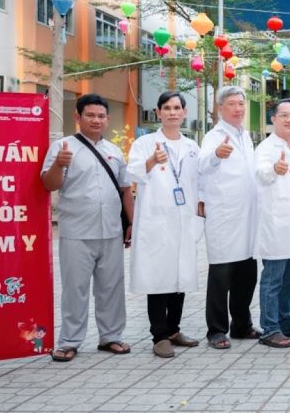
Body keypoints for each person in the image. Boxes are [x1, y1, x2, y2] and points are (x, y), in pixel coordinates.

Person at [41, 94, 134, 362]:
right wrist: (59, 164)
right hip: (77, 232)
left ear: (107, 119)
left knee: (112, 288)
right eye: (90, 115)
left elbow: (125, 190)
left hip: (111, 232)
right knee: (75, 289)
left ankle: (111, 337)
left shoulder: (114, 151)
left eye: (101, 116)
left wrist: (131, 223)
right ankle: (69, 341)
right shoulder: (63, 147)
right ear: (78, 117)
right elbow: (49, 184)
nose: (96, 120)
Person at [126, 91, 202, 358]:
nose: (172, 112)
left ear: (184, 113)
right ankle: (159, 336)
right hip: (156, 221)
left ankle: (173, 330)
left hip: (183, 219)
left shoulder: (192, 146)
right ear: (158, 112)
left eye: (177, 108)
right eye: (167, 108)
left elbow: (198, 181)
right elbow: (131, 172)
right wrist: (150, 162)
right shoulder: (145, 143)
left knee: (180, 276)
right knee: (158, 277)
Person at [198, 86, 261, 349]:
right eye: (232, 104)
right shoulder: (214, 136)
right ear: (220, 108)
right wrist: (216, 155)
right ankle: (216, 330)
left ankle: (242, 325)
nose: (238, 109)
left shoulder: (245, 136)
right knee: (221, 276)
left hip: (248, 215)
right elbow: (202, 164)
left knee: (246, 275)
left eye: (241, 104)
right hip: (225, 215)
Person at [253, 98, 290, 349]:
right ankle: (270, 329)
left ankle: (285, 321)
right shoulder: (267, 148)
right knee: (273, 280)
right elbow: (261, 173)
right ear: (273, 119)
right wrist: (274, 169)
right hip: (276, 225)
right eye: (284, 115)